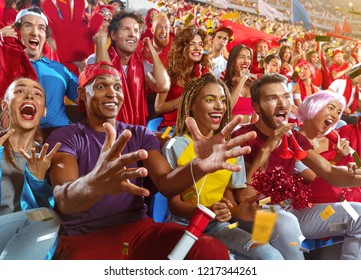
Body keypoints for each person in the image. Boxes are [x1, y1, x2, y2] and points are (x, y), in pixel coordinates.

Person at [45, 61, 254, 260]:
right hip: (84, 238)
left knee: (209, 249)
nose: (112, 93)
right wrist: (94, 184)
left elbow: (166, 183)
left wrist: (197, 167)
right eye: (101, 86)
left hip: (139, 231)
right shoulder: (65, 136)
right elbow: (64, 200)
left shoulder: (139, 134)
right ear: (82, 93)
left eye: (117, 87)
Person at [232, 73, 361, 260]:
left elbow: (330, 173)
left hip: (293, 212)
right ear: (256, 107)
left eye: (285, 96)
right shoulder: (243, 137)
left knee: (357, 215)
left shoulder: (295, 137)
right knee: (286, 222)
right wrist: (267, 149)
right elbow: (244, 197)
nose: (283, 104)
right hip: (257, 216)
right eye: (271, 98)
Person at [162, 73, 284, 260]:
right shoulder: (175, 146)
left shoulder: (231, 148)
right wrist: (208, 209)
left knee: (272, 257)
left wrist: (240, 210)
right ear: (191, 105)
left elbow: (230, 199)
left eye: (222, 100)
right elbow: (175, 205)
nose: (219, 106)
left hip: (217, 225)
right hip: (182, 225)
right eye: (210, 100)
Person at [0, 78, 61, 260]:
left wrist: (37, 180)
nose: (29, 95)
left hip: (25, 245)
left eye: (37, 94)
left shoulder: (48, 157)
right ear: (5, 105)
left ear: (44, 111)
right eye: (19, 91)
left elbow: (43, 218)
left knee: (47, 218)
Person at [0, 6, 79, 139]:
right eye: (28, 26)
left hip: (59, 133)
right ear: (16, 31)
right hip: (17, 134)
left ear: (45, 36)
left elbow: (87, 100)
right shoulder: (5, 62)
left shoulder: (60, 69)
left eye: (41, 28)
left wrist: (81, 62)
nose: (35, 32)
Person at [95, 10, 170, 126]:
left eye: (136, 31)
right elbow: (105, 84)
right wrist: (101, 42)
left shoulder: (142, 65)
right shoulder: (95, 60)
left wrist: (153, 54)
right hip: (106, 133)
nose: (132, 34)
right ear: (113, 34)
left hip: (135, 132)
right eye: (126, 29)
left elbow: (163, 86)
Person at [296, 90, 361, 202]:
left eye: (338, 112)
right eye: (330, 108)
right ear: (314, 107)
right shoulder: (293, 140)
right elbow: (313, 178)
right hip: (311, 203)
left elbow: (357, 161)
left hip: (347, 198)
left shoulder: (340, 135)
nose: (335, 115)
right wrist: (337, 158)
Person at [154, 25, 213, 132]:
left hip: (196, 129)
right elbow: (158, 108)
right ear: (182, 48)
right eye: (192, 44)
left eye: (200, 44)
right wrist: (183, 98)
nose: (197, 48)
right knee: (173, 146)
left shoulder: (205, 73)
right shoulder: (169, 73)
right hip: (170, 128)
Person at [223, 44, 255, 124]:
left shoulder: (252, 84)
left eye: (249, 58)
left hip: (249, 131)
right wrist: (242, 80)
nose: (246, 61)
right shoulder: (225, 85)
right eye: (242, 57)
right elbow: (228, 108)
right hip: (231, 131)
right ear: (233, 61)